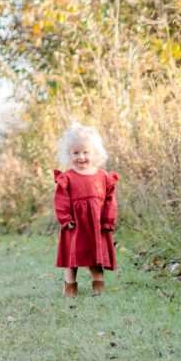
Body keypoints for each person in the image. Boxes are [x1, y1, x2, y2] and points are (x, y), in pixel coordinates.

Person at [53, 123, 118, 296]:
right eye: (76, 153)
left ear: (94, 152)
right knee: (71, 257)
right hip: (75, 225)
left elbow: (110, 200)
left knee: (96, 256)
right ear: (69, 154)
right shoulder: (67, 177)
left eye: (86, 152)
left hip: (96, 224)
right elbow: (60, 201)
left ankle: (98, 287)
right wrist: (65, 219)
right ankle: (70, 288)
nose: (81, 157)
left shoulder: (102, 176)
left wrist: (108, 220)